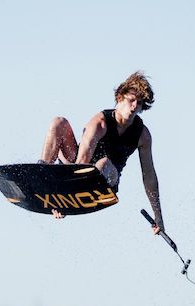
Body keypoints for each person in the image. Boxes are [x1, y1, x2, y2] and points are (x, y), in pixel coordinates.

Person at [39, 71, 164, 232]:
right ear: (120, 97)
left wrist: (158, 217)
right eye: (131, 100)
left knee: (103, 163)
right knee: (58, 122)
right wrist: (63, 198)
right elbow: (81, 161)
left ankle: (63, 189)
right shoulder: (99, 123)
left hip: (107, 181)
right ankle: (42, 178)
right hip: (78, 168)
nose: (134, 106)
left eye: (139, 103)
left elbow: (149, 177)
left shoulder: (142, 135)